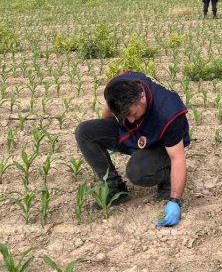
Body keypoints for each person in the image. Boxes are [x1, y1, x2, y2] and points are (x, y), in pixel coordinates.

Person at [74, 71, 190, 227]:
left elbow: (178, 157)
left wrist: (175, 200)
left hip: (160, 144)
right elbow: (109, 109)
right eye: (124, 116)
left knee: (137, 171)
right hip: (133, 135)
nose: (130, 119)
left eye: (133, 113)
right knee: (85, 131)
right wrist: (107, 135)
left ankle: (166, 179)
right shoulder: (117, 88)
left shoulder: (169, 112)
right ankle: (115, 189)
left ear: (142, 97)